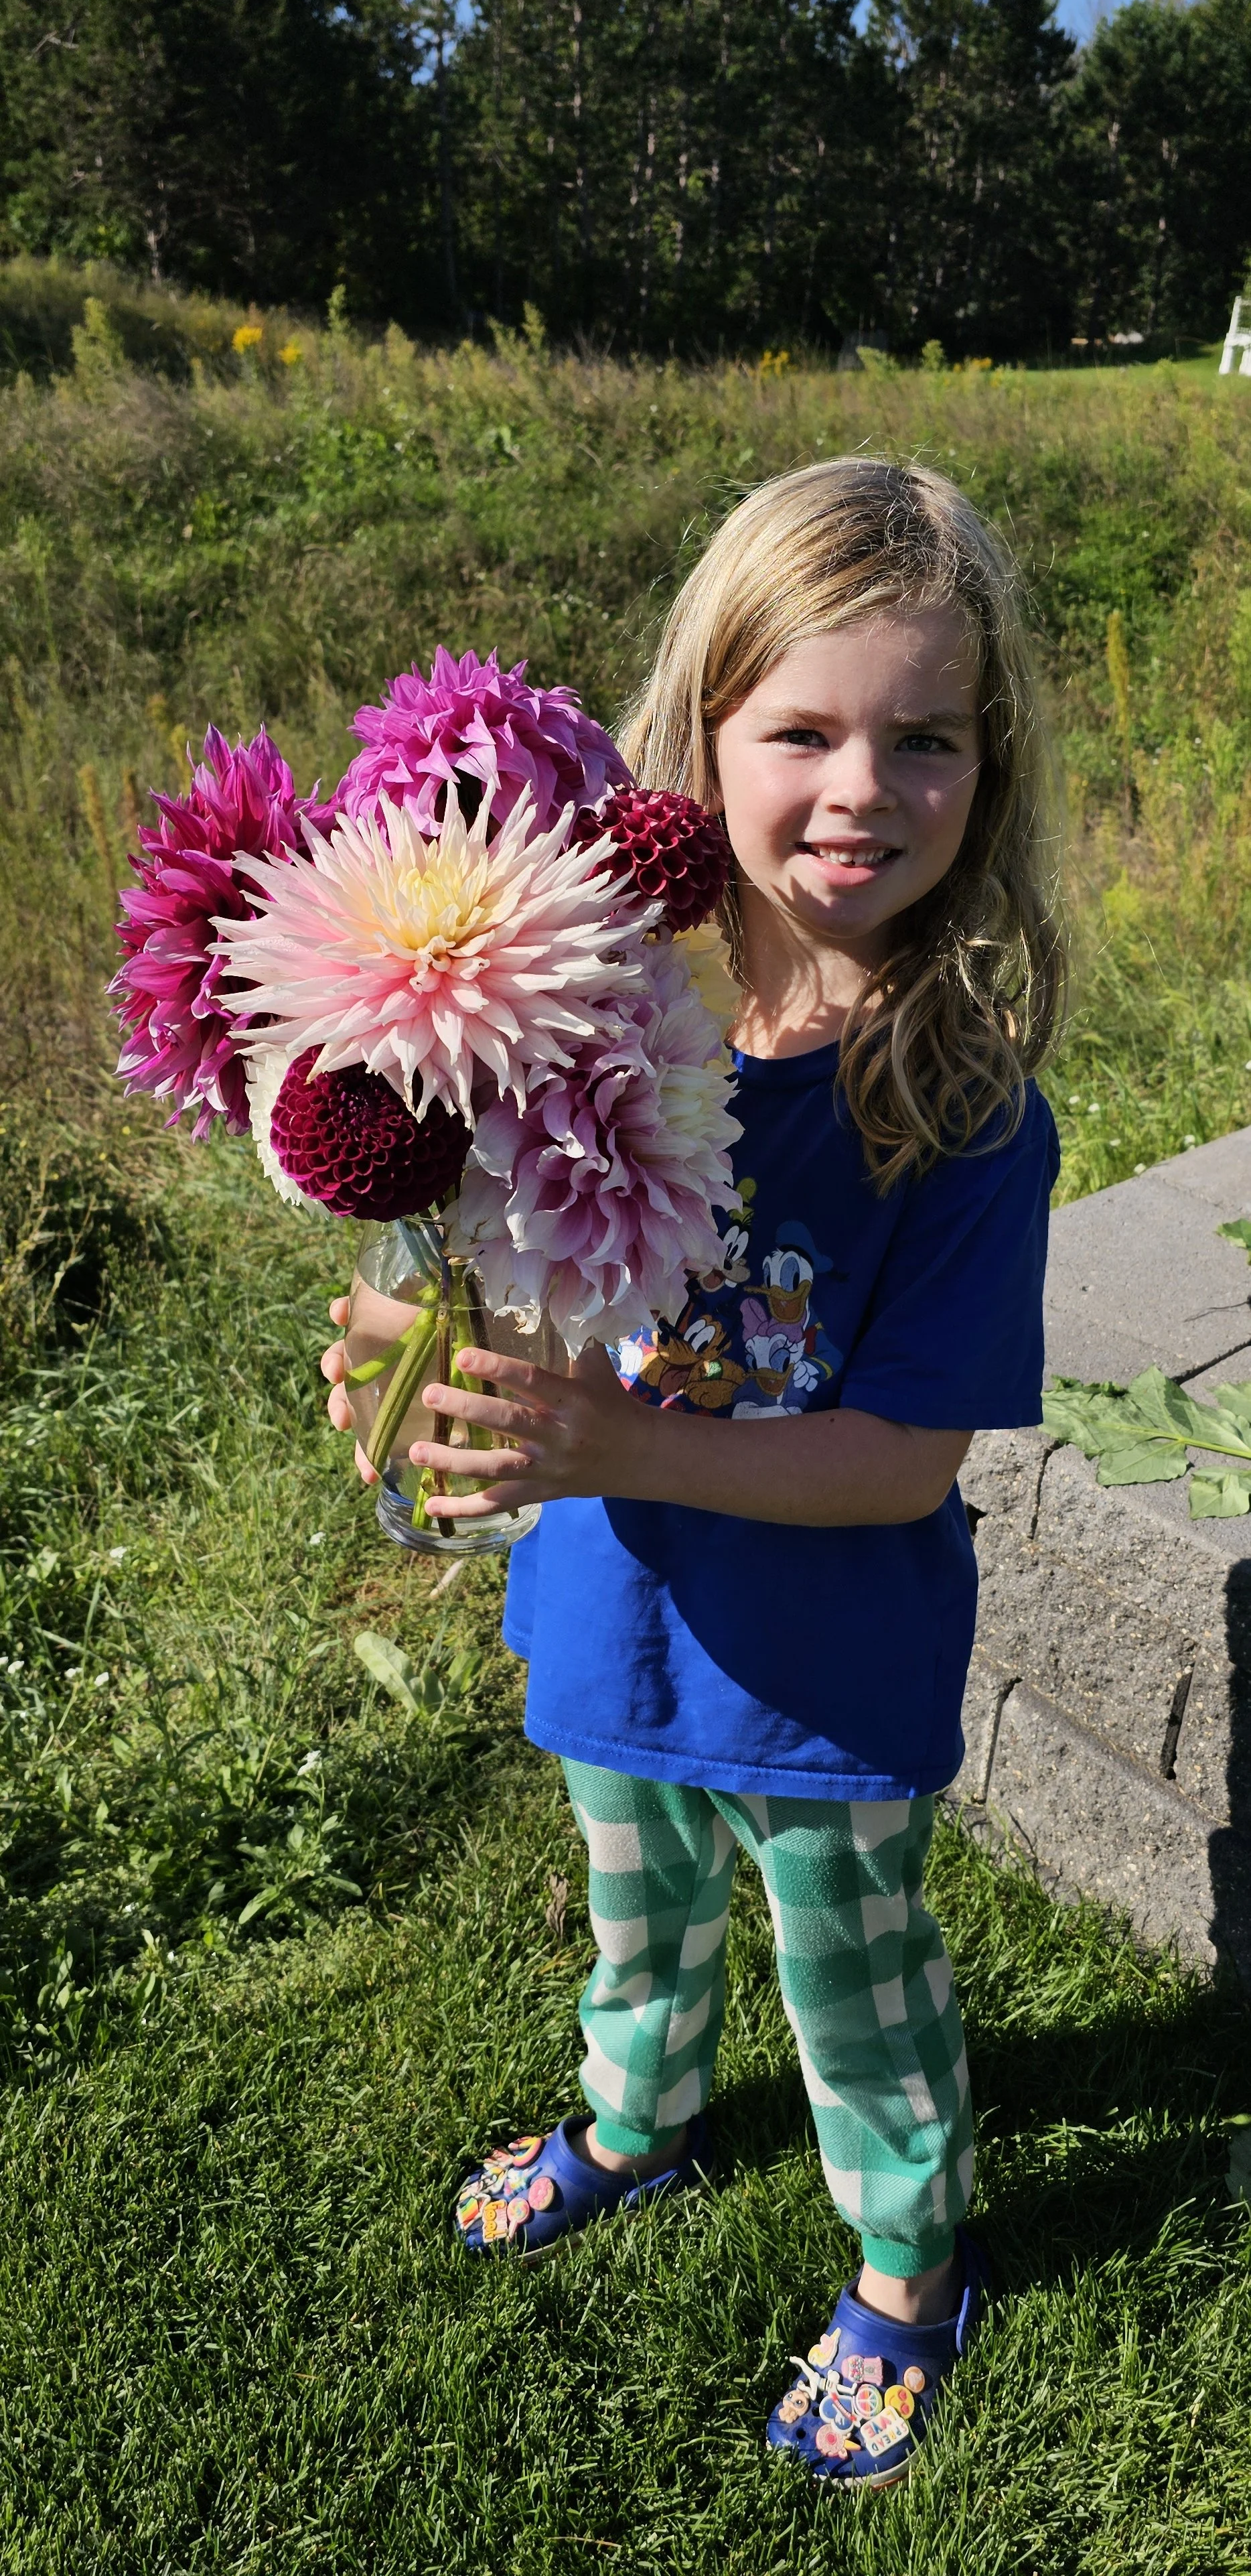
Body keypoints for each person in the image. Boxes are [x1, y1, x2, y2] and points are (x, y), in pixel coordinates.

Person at [321, 457, 1065, 2488]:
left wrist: (598, 1435)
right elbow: (509, 1305)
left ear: (984, 769)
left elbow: (900, 1465)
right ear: (699, 733)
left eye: (924, 738)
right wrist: (415, 1376)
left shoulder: (965, 1107)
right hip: (607, 1615)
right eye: (801, 730)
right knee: (632, 1920)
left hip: (820, 1673)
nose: (860, 788)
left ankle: (907, 2266)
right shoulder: (583, 1013)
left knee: (858, 1979)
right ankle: (636, 2120)